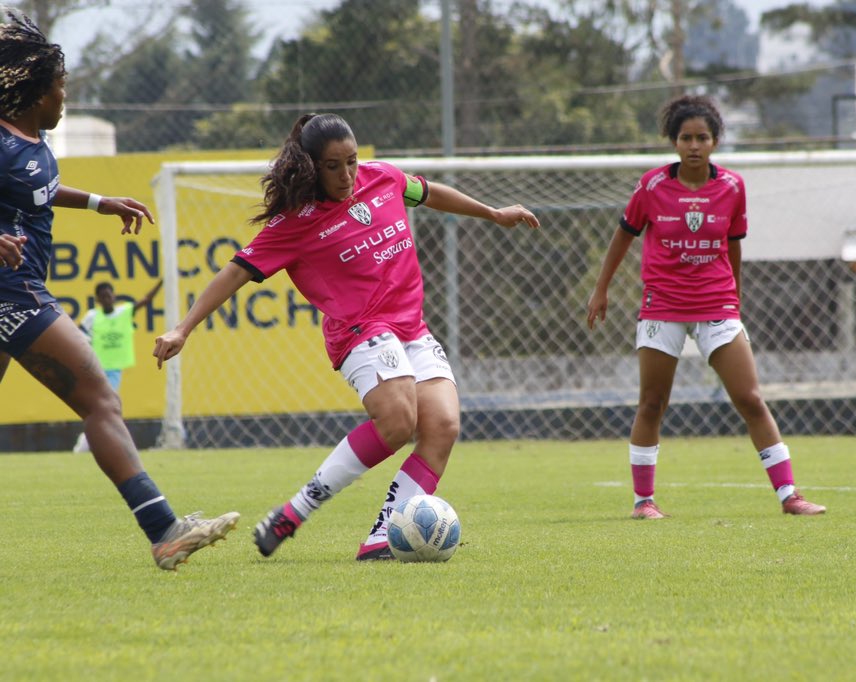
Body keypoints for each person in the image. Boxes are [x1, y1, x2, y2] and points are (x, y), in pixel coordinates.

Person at [153, 112, 540, 561]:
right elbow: (235, 273)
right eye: (333, 166)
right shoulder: (295, 223)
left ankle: (382, 537)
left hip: (410, 327)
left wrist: (492, 213)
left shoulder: (385, 179)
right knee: (398, 421)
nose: (347, 174)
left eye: (352, 161)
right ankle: (294, 512)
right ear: (311, 168)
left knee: (443, 426)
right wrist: (183, 327)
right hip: (358, 331)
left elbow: (430, 193)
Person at [0, 10, 239, 570]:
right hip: (14, 293)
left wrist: (98, 202)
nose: (65, 97)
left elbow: (40, 190)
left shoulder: (25, 140)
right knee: (101, 400)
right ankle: (164, 530)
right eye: (61, 87)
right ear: (37, 92)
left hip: (15, 289)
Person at [586, 94, 826, 519]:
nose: (694, 145)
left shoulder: (732, 187)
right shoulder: (653, 186)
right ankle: (644, 502)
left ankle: (790, 495)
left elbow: (733, 247)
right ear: (673, 142)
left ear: (715, 141)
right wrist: (601, 289)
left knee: (750, 399)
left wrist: (735, 294)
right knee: (652, 403)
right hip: (662, 307)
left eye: (702, 137)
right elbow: (623, 236)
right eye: (685, 138)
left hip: (717, 304)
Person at [73, 278, 163, 453]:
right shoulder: (92, 316)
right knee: (106, 406)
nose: (107, 299)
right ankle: (96, 444)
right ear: (98, 300)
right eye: (103, 297)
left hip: (114, 369)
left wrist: (163, 282)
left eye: (109, 295)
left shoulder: (124, 312)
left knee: (104, 406)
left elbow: (145, 300)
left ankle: (90, 443)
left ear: (113, 296)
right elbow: (77, 335)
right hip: (96, 367)